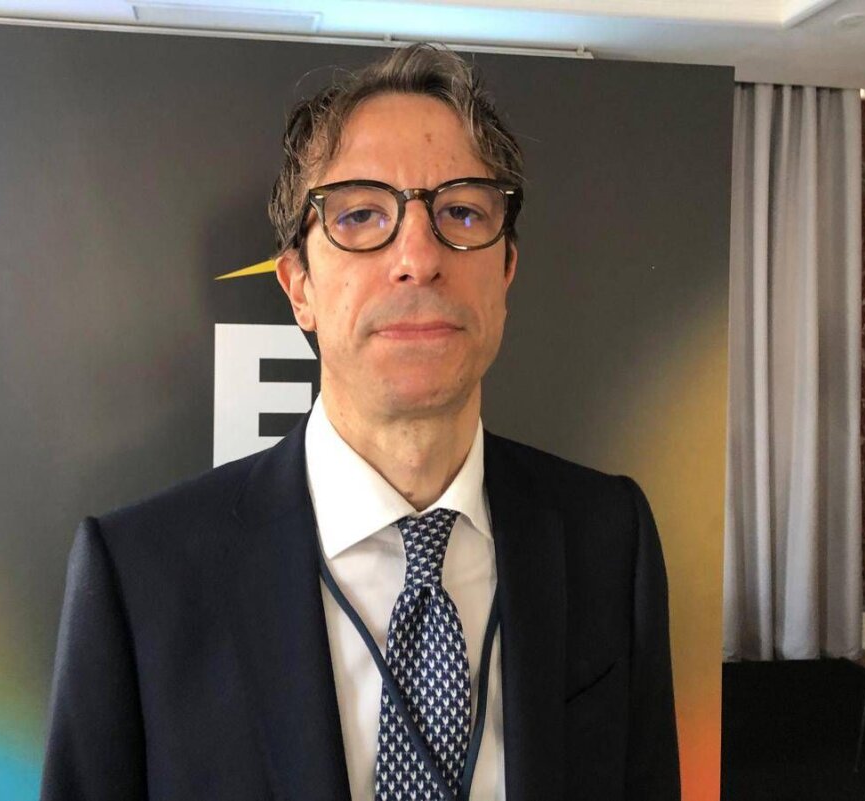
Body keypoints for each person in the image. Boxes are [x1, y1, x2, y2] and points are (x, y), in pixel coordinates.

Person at [40, 43, 680, 801]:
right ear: (298, 287)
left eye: (462, 211)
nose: (418, 257)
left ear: (506, 270)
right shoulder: (141, 577)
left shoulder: (608, 536)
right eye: (360, 215)